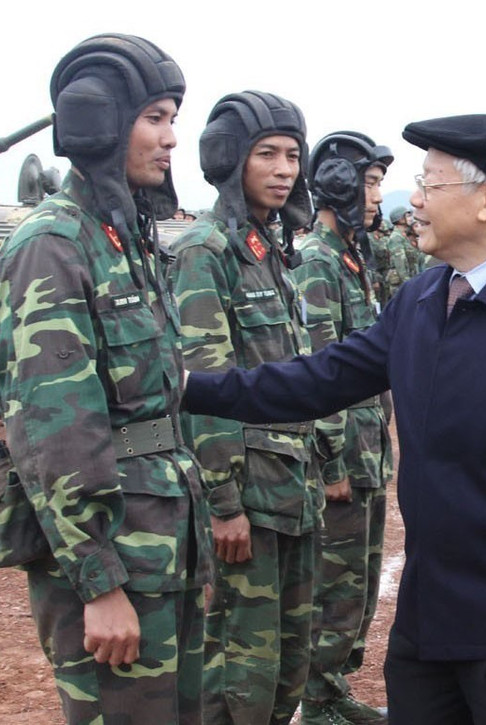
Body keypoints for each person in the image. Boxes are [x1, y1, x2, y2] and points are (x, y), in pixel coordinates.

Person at [183, 113, 486, 725]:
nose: (413, 199)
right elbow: (319, 380)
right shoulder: (423, 300)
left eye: (430, 184)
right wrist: (188, 388)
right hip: (427, 619)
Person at [0, 34, 213, 724]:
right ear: (101, 124)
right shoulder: (53, 246)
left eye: (173, 119)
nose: (172, 139)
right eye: (156, 118)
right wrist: (98, 583)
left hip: (163, 540)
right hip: (114, 559)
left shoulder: (125, 238)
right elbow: (56, 431)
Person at [169, 90, 321, 725]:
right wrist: (223, 504)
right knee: (239, 672)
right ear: (233, 161)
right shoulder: (206, 251)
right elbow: (203, 384)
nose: (284, 169)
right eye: (268, 155)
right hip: (246, 503)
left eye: (292, 155)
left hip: (291, 489)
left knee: (288, 664)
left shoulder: (268, 249)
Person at [293, 131, 395, 725]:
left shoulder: (353, 259)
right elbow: (319, 368)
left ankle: (331, 691)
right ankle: (318, 700)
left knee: (356, 585)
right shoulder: (317, 261)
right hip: (343, 459)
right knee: (333, 585)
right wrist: (330, 461)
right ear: (337, 184)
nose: (377, 193)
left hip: (368, 452)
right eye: (372, 180)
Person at [383, 206, 411, 299]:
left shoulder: (403, 236)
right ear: (400, 219)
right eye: (407, 216)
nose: (410, 218)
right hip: (400, 283)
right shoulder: (396, 238)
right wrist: (408, 283)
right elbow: (400, 263)